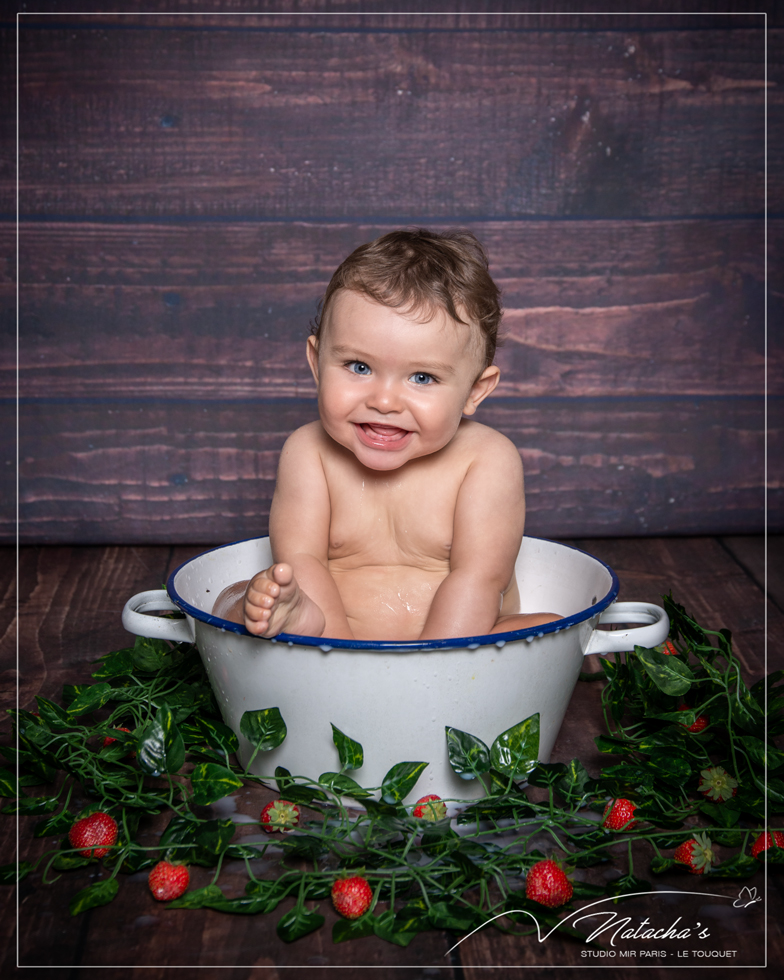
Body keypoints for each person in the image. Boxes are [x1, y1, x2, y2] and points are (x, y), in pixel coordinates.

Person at [213, 229, 559, 641]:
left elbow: (480, 579)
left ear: (474, 392)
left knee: (551, 627)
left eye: (422, 377)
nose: (384, 401)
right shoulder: (309, 453)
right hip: (330, 639)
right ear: (317, 363)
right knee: (234, 600)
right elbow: (301, 560)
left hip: (461, 646)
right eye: (359, 367)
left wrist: (432, 665)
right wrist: (337, 653)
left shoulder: (486, 460)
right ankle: (301, 619)